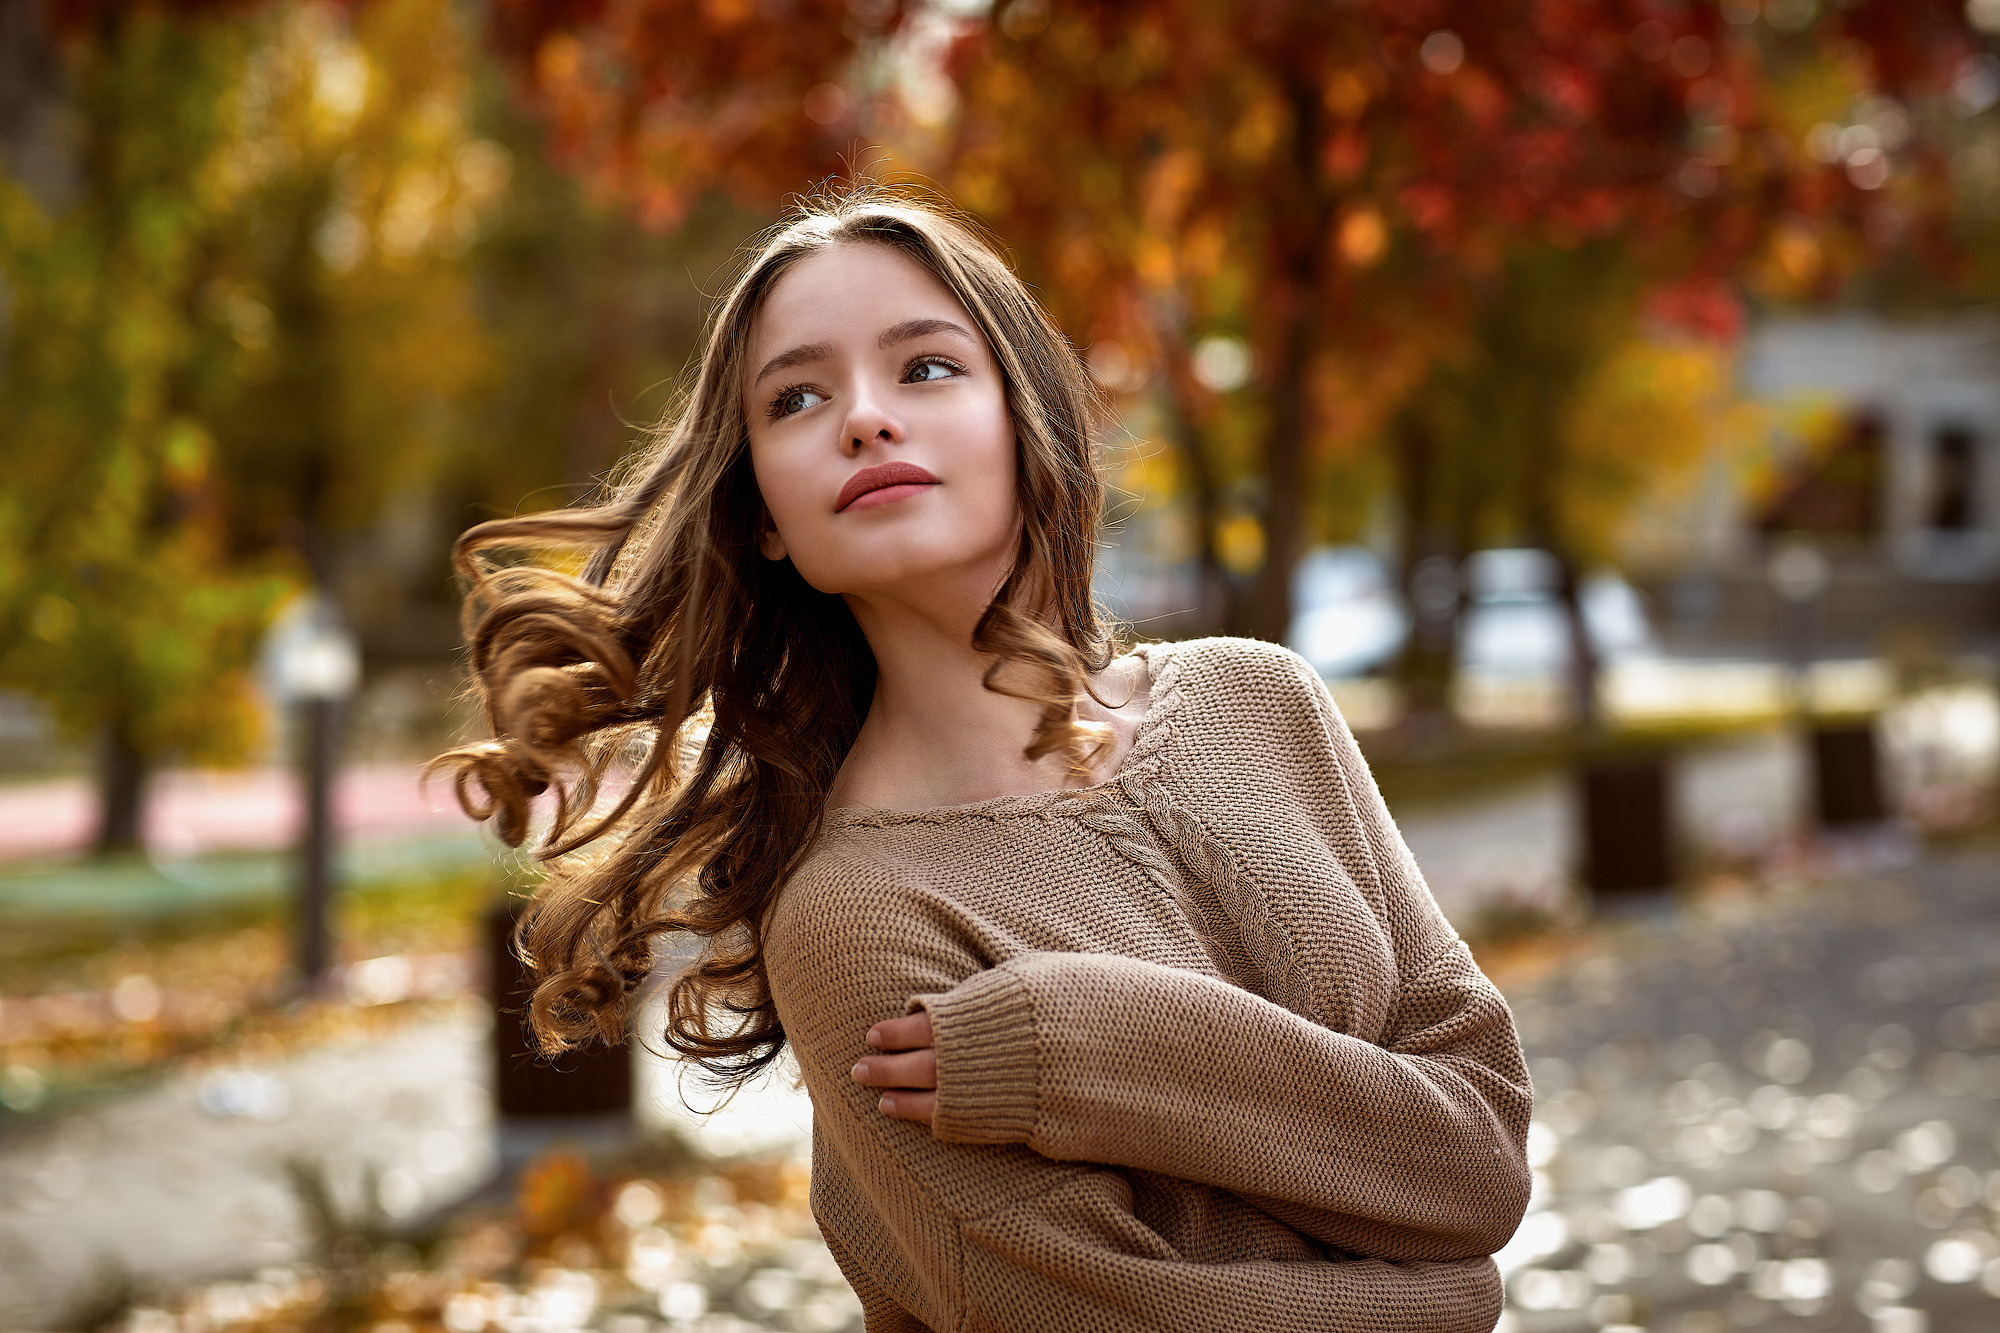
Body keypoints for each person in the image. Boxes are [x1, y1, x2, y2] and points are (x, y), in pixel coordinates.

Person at [431, 187, 1531, 1332]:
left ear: (1022, 418)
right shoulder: (855, 916)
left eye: (924, 367)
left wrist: (1089, 1040)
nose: (865, 419)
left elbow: (1482, 1156)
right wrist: (1447, 1297)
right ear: (762, 514)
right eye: (796, 398)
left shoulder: (1260, 701)